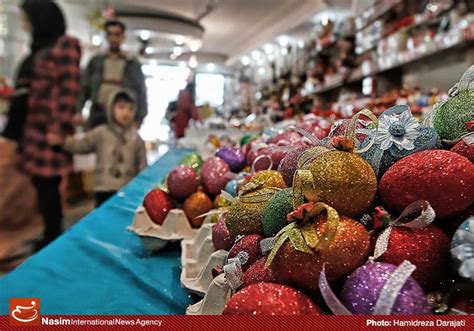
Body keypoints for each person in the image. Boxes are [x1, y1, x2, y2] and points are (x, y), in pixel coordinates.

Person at [3, 0, 81, 247]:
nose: (25, 24)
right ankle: (49, 234)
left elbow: (68, 92)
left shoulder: (65, 46)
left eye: (27, 18)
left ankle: (52, 237)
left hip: (48, 133)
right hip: (33, 131)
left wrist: (57, 130)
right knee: (41, 186)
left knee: (49, 188)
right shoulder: (40, 46)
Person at [47, 89, 147, 207]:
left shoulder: (137, 139)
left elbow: (143, 167)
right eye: (121, 107)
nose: (126, 112)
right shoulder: (100, 133)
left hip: (127, 189)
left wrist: (142, 190)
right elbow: (81, 145)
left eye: (130, 109)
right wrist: (63, 141)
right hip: (103, 188)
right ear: (111, 108)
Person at [78, 20, 148, 128]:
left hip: (122, 117)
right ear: (106, 37)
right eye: (110, 34)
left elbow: (141, 92)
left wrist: (139, 119)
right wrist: (78, 112)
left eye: (117, 34)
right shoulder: (96, 61)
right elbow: (84, 88)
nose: (113, 38)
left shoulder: (132, 64)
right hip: (98, 113)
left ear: (123, 37)